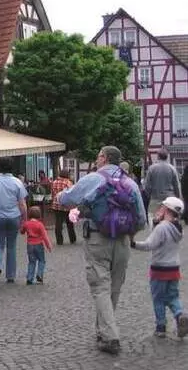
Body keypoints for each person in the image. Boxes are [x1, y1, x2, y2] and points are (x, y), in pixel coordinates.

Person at [58, 145, 146, 355]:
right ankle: (103, 330)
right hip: (123, 240)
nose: (97, 161)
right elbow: (142, 219)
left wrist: (62, 193)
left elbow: (67, 199)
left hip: (98, 237)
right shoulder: (129, 183)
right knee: (114, 287)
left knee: (100, 287)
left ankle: (110, 336)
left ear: (104, 158)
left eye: (98, 157)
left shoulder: (93, 179)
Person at [131, 196, 188, 339]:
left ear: (167, 210)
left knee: (158, 298)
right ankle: (180, 315)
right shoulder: (178, 228)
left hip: (159, 269)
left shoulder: (162, 228)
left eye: (162, 207)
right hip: (174, 268)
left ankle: (161, 327)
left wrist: (133, 244)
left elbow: (150, 245)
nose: (159, 209)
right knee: (172, 296)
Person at [0, 157, 28, 285]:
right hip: (14, 216)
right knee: (12, 246)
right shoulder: (17, 182)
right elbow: (22, 204)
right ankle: (10, 275)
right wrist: (25, 219)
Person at [143, 148, 182, 230]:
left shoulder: (152, 168)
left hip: (155, 199)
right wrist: (177, 197)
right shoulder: (172, 168)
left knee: (153, 217)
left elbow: (147, 186)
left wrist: (148, 196)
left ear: (158, 157)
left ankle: (155, 235)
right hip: (169, 199)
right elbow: (177, 185)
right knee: (169, 220)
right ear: (167, 157)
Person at [21, 206, 53, 285]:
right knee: (41, 260)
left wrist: (23, 227)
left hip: (30, 245)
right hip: (39, 244)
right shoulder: (40, 225)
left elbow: (22, 231)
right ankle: (39, 275)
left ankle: (29, 278)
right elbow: (44, 236)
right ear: (39, 215)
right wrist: (48, 246)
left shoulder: (27, 223)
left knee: (31, 262)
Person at [50, 169, 76, 245]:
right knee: (70, 222)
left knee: (58, 223)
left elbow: (52, 193)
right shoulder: (68, 182)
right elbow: (72, 193)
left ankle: (59, 241)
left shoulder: (54, 182)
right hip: (67, 205)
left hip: (56, 205)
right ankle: (72, 238)